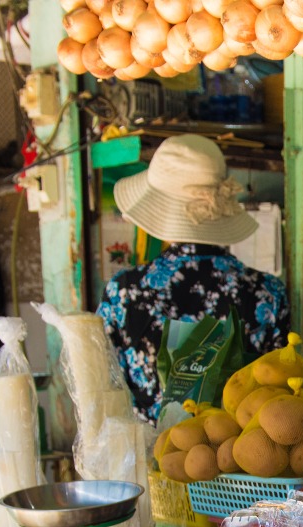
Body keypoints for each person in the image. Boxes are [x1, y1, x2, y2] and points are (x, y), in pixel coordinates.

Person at [98, 134, 289, 420]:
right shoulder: (268, 293)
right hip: (240, 461)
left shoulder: (124, 292)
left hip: (148, 458)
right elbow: (279, 396)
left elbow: (105, 387)